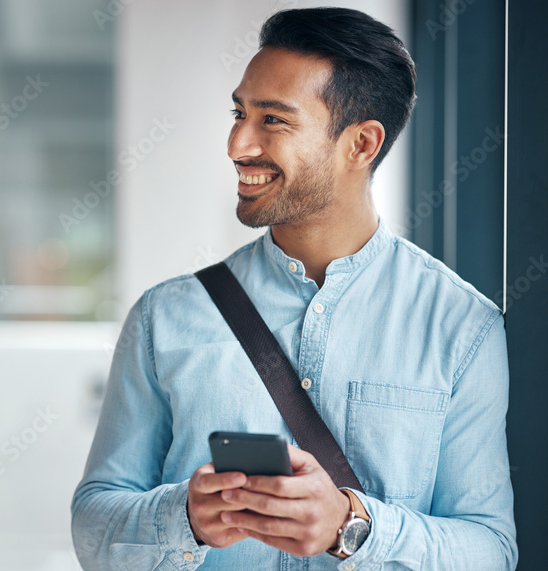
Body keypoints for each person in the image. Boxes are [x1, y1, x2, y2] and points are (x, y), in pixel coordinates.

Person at [71, 7, 517, 570]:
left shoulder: (461, 326)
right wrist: (183, 516)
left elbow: (491, 552)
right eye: (239, 113)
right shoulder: (165, 318)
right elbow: (93, 527)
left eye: (273, 120)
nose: (237, 144)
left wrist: (351, 525)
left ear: (361, 144)